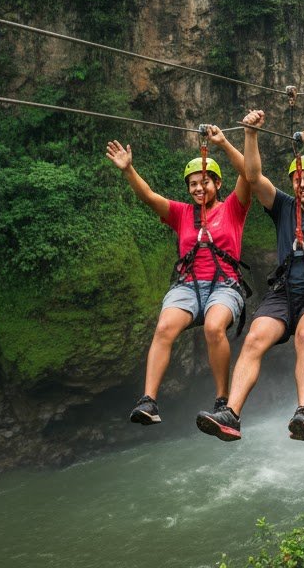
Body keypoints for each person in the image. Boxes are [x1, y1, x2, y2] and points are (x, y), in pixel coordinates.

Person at [197, 112, 304, 443]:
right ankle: (231, 415)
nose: (303, 184)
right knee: (254, 338)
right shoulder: (282, 206)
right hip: (283, 292)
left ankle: (303, 412)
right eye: (298, 179)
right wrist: (250, 134)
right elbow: (253, 178)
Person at [106, 128, 251, 427]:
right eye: (193, 184)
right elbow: (148, 196)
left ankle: (222, 400)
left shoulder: (233, 209)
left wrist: (223, 143)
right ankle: (149, 401)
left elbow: (248, 173)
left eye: (204, 182)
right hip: (188, 285)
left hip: (225, 285)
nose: (198, 189)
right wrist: (129, 169)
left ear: (217, 183)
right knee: (164, 328)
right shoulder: (181, 213)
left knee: (214, 327)